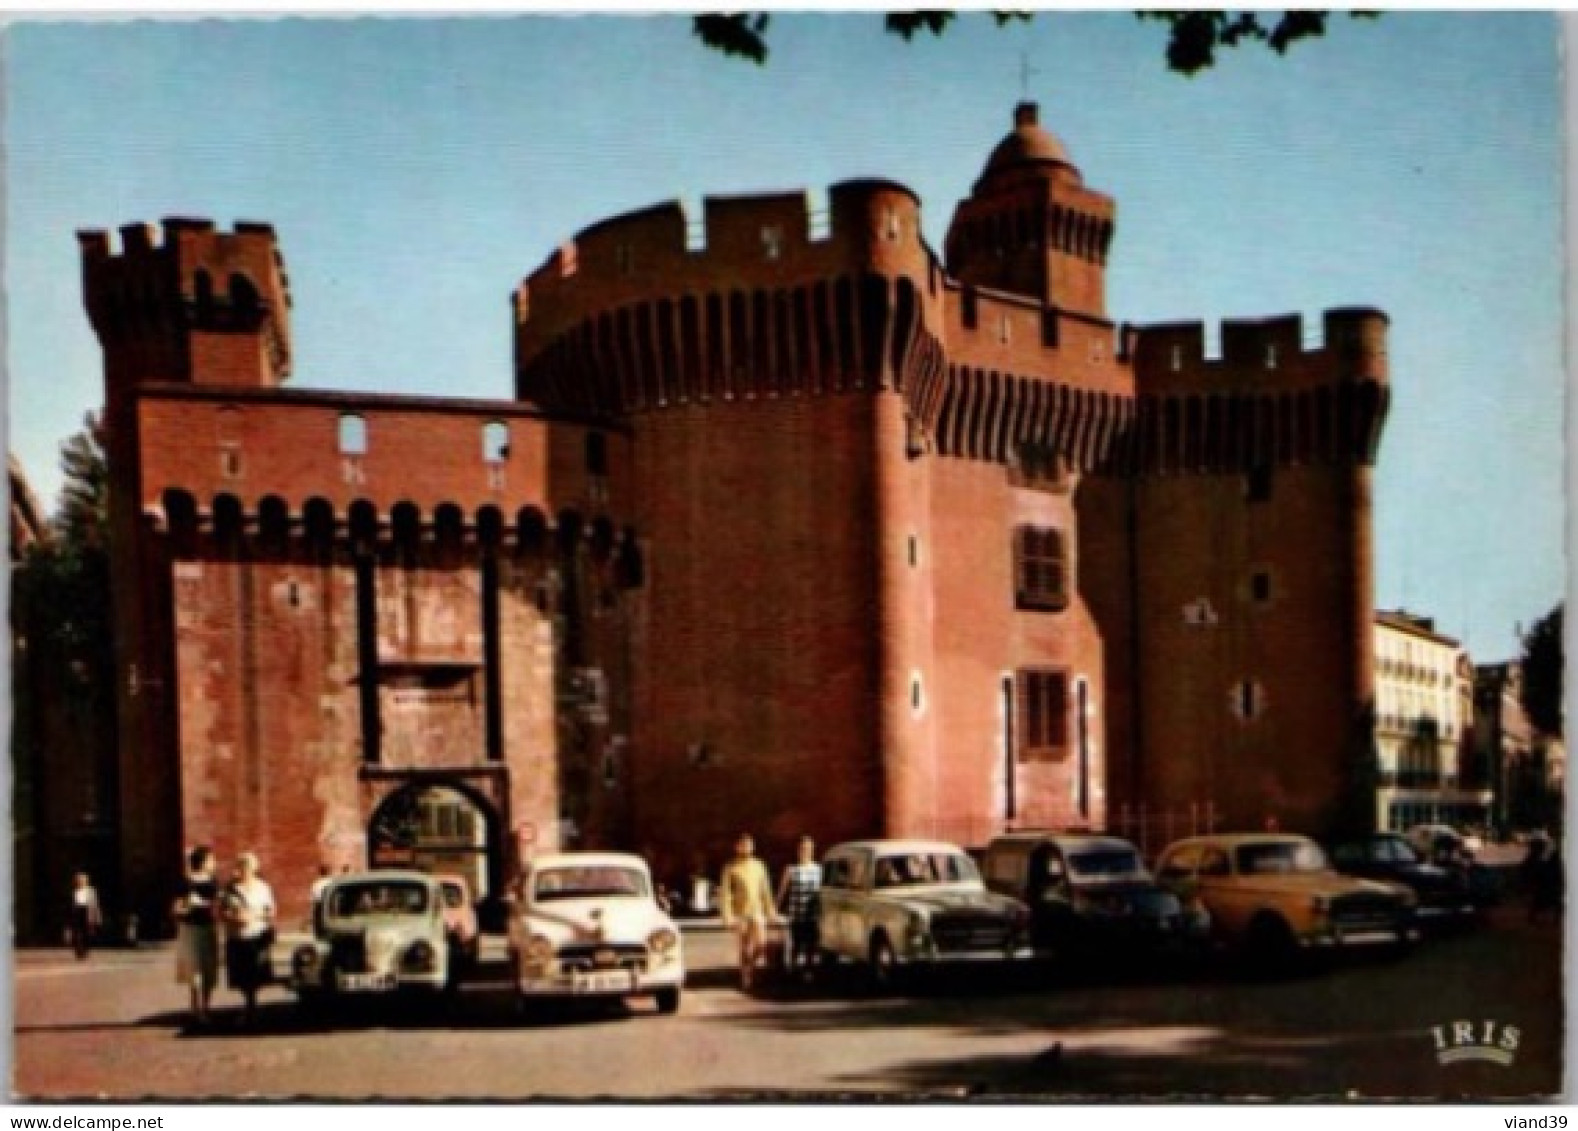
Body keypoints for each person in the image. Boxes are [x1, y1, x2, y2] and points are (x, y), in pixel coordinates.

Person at [222, 851, 277, 1025]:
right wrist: (233, 918)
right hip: (238, 936)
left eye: (248, 867)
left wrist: (259, 916)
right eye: (242, 866)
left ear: (254, 869)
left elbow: (272, 910)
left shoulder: (263, 887)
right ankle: (250, 1005)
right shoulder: (230, 889)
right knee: (242, 976)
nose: (244, 870)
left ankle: (251, 1006)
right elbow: (222, 912)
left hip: (257, 935)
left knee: (255, 973)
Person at [719, 833, 777, 990]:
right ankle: (746, 975)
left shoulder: (759, 865)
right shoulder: (731, 867)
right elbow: (725, 893)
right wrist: (727, 916)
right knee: (744, 947)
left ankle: (750, 965)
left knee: (761, 944)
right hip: (740, 913)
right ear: (737, 847)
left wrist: (770, 910)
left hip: (757, 911)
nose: (747, 847)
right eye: (743, 844)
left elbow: (765, 890)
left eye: (749, 844)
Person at [174, 846, 221, 1026]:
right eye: (211, 860)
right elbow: (176, 908)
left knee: (208, 967)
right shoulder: (185, 882)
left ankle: (206, 1006)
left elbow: (217, 904)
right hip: (191, 929)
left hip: (208, 927)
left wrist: (212, 907)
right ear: (202, 862)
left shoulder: (213, 881)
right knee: (194, 968)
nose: (213, 863)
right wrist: (188, 908)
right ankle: (194, 1007)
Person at [776, 836, 822, 981]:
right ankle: (794, 969)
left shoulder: (818, 870)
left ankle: (809, 970)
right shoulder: (791, 870)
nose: (805, 851)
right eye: (802, 849)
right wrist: (775, 908)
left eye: (808, 849)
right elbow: (782, 891)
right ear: (798, 851)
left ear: (812, 850)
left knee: (811, 943)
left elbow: (822, 892)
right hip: (796, 913)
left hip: (812, 913)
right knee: (796, 942)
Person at [67, 872, 103, 961]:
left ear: (86, 881)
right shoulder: (73, 891)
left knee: (87, 933)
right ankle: (79, 951)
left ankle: (85, 949)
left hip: (87, 912)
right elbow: (68, 905)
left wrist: (97, 917)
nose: (80, 881)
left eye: (82, 880)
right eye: (78, 880)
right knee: (76, 933)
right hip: (76, 912)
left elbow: (95, 905)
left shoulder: (91, 891)